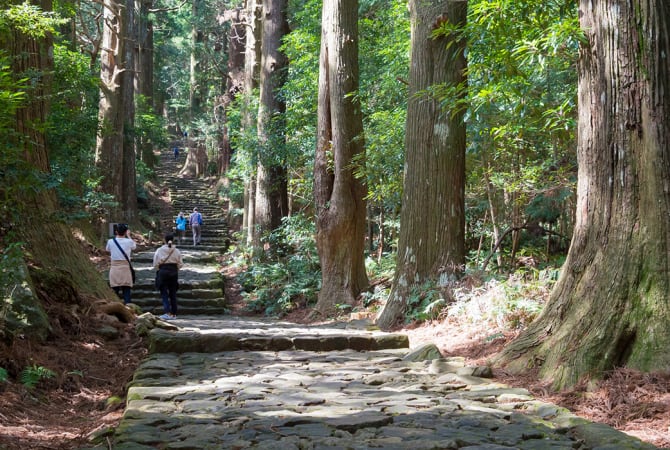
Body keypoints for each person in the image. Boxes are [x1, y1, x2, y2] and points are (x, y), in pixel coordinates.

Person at [153, 233, 184, 320]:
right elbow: (180, 264)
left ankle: (167, 312)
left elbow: (155, 263)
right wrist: (175, 268)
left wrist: (159, 267)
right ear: (173, 240)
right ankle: (174, 313)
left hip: (163, 272)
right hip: (173, 272)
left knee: (164, 293)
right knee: (173, 293)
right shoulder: (177, 251)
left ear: (164, 240)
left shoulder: (159, 250)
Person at [106, 223, 137, 304]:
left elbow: (107, 249)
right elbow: (134, 247)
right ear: (126, 232)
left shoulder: (110, 241)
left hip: (114, 268)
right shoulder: (129, 241)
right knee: (126, 291)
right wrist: (129, 236)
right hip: (125, 268)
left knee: (114, 290)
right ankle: (129, 308)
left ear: (116, 232)